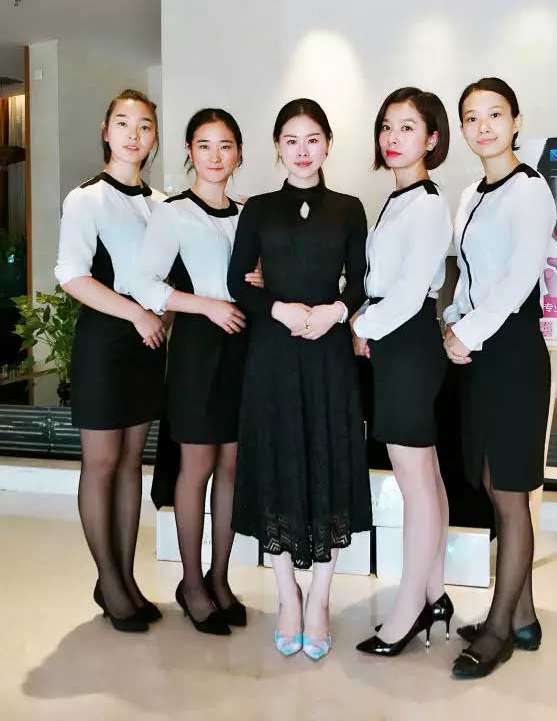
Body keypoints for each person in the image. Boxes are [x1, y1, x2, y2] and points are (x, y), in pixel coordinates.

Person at [227, 98, 372, 660]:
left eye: (313, 139)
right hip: (273, 353)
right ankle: (288, 595)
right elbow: (236, 281)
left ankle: (320, 600)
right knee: (279, 463)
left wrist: (335, 312)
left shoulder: (349, 208)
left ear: (328, 144)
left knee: (329, 461)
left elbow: (360, 281)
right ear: (277, 148)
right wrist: (278, 308)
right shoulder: (259, 209)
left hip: (329, 353)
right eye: (291, 140)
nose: (302, 150)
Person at [132, 109, 262, 636]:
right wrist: (205, 305)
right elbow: (143, 283)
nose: (215, 156)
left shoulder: (249, 213)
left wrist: (263, 277)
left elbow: (259, 279)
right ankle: (190, 583)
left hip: (244, 348)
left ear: (239, 154)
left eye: (225, 145)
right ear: (189, 151)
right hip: (198, 349)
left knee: (232, 466)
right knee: (198, 465)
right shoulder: (174, 213)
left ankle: (219, 578)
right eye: (204, 145)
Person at [443, 77, 556, 678]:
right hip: (479, 349)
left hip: (512, 352)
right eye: (471, 117)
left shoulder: (530, 190)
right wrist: (454, 322)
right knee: (492, 482)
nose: (483, 126)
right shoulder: (470, 193)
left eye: (494, 114)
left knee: (510, 493)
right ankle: (524, 616)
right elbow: (468, 274)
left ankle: (498, 629)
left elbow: (517, 281)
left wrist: (469, 332)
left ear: (516, 121)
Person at [55, 89, 167, 632]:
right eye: (123, 123)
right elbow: (72, 275)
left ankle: (122, 579)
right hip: (105, 339)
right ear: (105, 130)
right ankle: (109, 581)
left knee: (130, 463)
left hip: (147, 343)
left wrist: (161, 315)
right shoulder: (87, 199)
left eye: (144, 126)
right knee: (100, 464)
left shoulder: (161, 202)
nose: (133, 134)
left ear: (153, 138)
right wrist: (136, 314)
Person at [352, 87, 453, 657]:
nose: (393, 137)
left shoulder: (428, 204)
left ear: (432, 139)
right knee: (427, 477)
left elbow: (412, 293)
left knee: (416, 484)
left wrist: (361, 326)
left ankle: (409, 609)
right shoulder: (398, 199)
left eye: (408, 127)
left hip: (408, 344)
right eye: (387, 126)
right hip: (397, 343)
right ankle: (435, 595)